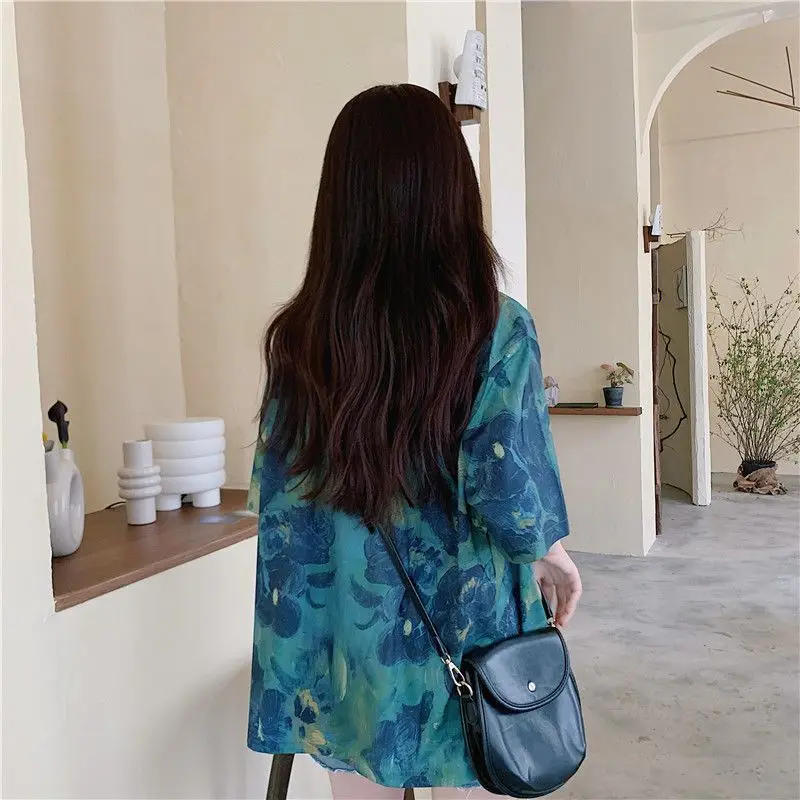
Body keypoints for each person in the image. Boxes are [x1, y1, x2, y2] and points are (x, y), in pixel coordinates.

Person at [247, 84, 582, 800]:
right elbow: (508, 491)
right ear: (451, 191)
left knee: (357, 773)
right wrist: (551, 554)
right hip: (459, 628)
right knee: (463, 765)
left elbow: (280, 508)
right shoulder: (495, 328)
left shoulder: (300, 339)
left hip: (346, 643)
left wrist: (290, 656)